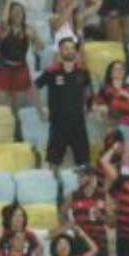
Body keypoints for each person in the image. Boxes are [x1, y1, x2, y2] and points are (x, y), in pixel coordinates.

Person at [37, 38, 91, 168]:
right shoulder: (51, 71)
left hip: (78, 123)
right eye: (66, 48)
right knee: (53, 163)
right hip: (58, 123)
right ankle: (53, 187)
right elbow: (33, 88)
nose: (69, 51)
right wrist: (41, 108)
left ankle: (84, 187)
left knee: (84, 163)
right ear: (60, 51)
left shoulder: (83, 72)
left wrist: (88, 107)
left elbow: (89, 92)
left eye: (72, 48)